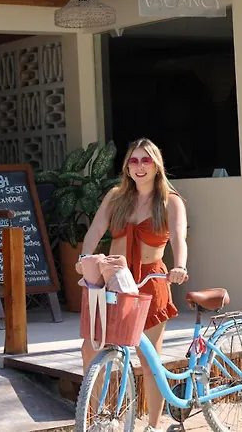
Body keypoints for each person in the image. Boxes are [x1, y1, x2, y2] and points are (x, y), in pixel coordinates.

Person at [76, 137, 188, 432]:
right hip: (115, 281)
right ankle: (96, 417)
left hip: (151, 281)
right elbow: (95, 229)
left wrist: (180, 266)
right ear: (127, 166)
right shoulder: (116, 197)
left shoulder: (170, 201)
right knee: (91, 347)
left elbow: (179, 238)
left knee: (149, 360)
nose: (139, 166)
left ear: (156, 165)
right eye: (133, 160)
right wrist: (85, 257)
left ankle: (153, 426)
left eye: (145, 160)